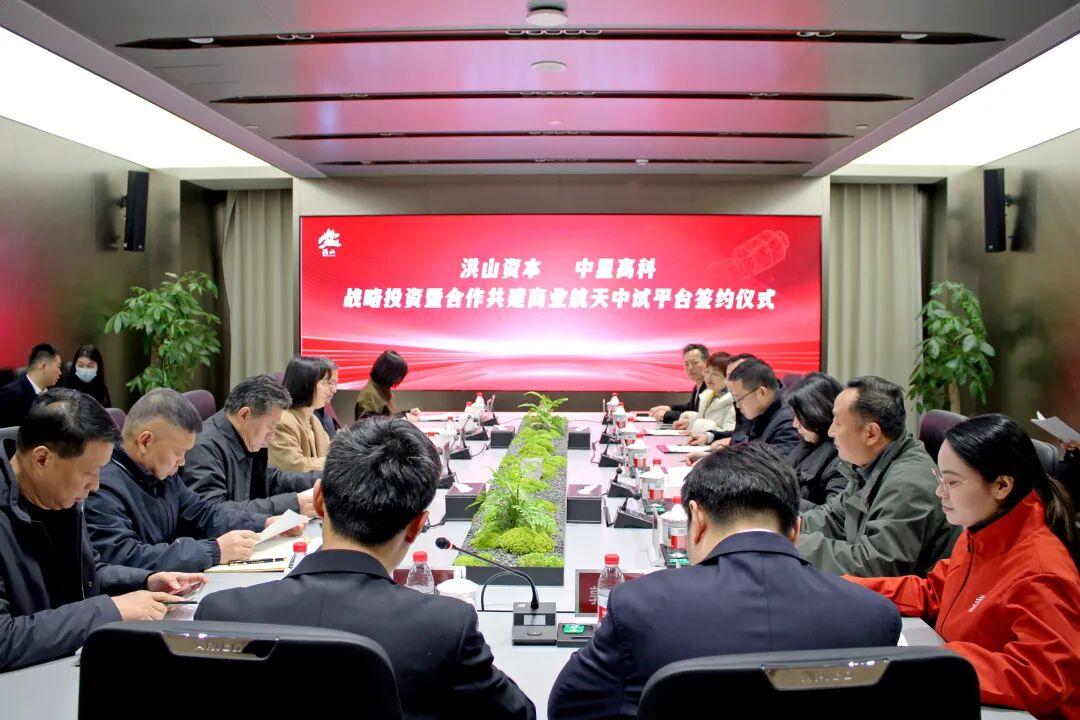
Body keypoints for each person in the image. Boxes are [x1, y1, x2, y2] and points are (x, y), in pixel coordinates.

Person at [196, 417, 535, 719]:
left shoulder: (221, 615)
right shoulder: (445, 628)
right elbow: (521, 713)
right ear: (417, 527)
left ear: (318, 501)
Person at [547, 444, 901, 720]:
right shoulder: (874, 617)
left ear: (697, 519)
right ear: (795, 530)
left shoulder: (640, 606)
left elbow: (568, 707)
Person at [849, 415, 1080, 718]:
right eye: (939, 478)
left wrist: (941, 661)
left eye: (952, 482)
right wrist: (846, 588)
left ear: (1001, 485)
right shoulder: (982, 530)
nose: (940, 492)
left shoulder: (1041, 571)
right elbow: (935, 591)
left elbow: (1041, 678)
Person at [0, 389, 203, 672]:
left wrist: (144, 581)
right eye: (88, 472)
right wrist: (112, 610)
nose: (95, 485)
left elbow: (88, 576)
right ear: (42, 459)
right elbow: (4, 639)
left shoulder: (61, 499)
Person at [86, 389, 303, 573]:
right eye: (178, 452)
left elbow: (203, 513)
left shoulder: (161, 472)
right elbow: (125, 556)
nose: (182, 462)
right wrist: (214, 551)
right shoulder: (99, 486)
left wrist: (262, 523)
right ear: (145, 441)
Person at [798, 376, 959, 577]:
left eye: (837, 422)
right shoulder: (871, 464)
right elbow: (834, 517)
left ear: (872, 433)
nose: (831, 431)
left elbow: (874, 567)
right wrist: (785, 527)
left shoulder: (907, 485)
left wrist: (795, 542)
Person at [182, 375, 319, 517]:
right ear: (244, 415)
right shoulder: (203, 448)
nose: (271, 436)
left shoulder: (246, 436)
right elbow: (213, 512)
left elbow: (271, 481)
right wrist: (292, 504)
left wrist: (322, 479)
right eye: (270, 426)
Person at [686, 359, 801, 464]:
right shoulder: (759, 407)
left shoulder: (789, 421)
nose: (737, 405)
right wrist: (712, 456)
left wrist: (717, 464)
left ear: (762, 392)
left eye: (738, 398)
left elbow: (770, 466)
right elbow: (744, 446)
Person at [785, 372, 847, 512]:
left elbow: (832, 516)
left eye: (799, 417)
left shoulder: (845, 456)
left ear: (817, 414)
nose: (795, 424)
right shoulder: (808, 444)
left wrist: (780, 499)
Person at [269, 356, 333, 472]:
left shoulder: (314, 420)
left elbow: (331, 453)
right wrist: (335, 462)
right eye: (324, 383)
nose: (330, 389)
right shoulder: (282, 421)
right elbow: (295, 466)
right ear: (305, 385)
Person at [672, 351, 736, 436]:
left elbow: (730, 435)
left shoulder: (735, 402)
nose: (708, 377)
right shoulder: (708, 395)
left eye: (715, 374)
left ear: (728, 377)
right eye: (707, 372)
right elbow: (704, 419)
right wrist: (691, 423)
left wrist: (702, 429)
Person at [0, 344, 63, 428]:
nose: (60, 373)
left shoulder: (54, 393)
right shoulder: (11, 394)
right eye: (58, 367)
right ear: (44, 367)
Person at [354, 350, 421, 421]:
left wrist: (406, 413)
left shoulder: (381, 388)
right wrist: (403, 417)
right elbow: (370, 424)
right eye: (398, 375)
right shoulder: (370, 394)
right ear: (389, 373)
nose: (399, 379)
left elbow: (387, 417)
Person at [648, 343, 708, 423]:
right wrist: (669, 408)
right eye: (686, 364)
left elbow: (699, 415)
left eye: (695, 362)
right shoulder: (698, 386)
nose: (690, 368)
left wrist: (667, 414)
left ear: (707, 363)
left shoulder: (711, 387)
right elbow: (690, 407)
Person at [314, 360, 341, 439]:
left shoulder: (325, 414)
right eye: (329, 383)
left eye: (335, 384)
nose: (334, 390)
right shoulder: (306, 416)